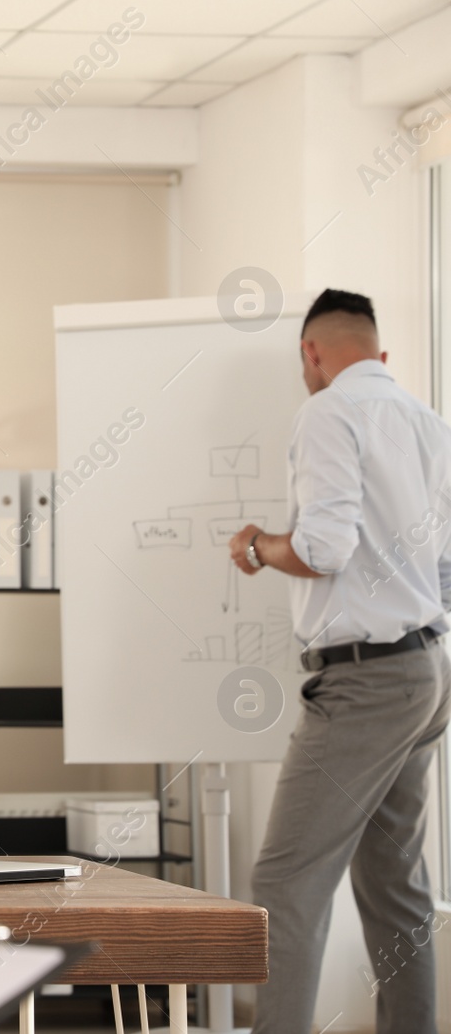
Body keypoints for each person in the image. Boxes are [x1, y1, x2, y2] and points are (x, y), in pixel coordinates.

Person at [228, 288, 451, 1034]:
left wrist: (258, 546)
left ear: (310, 355)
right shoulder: (427, 422)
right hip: (426, 669)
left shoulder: (327, 412)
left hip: (365, 681)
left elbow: (323, 549)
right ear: (380, 356)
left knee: (284, 881)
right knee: (396, 885)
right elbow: (445, 569)